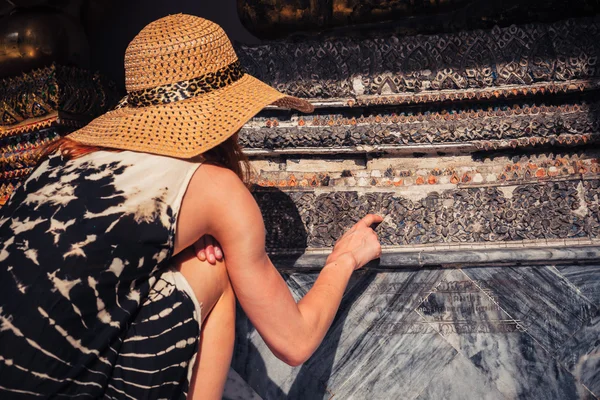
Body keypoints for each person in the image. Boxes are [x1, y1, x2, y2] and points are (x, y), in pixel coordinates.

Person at [0, 14, 382, 399]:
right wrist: (343, 260)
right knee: (208, 269)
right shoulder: (217, 189)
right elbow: (294, 342)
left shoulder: (60, 158)